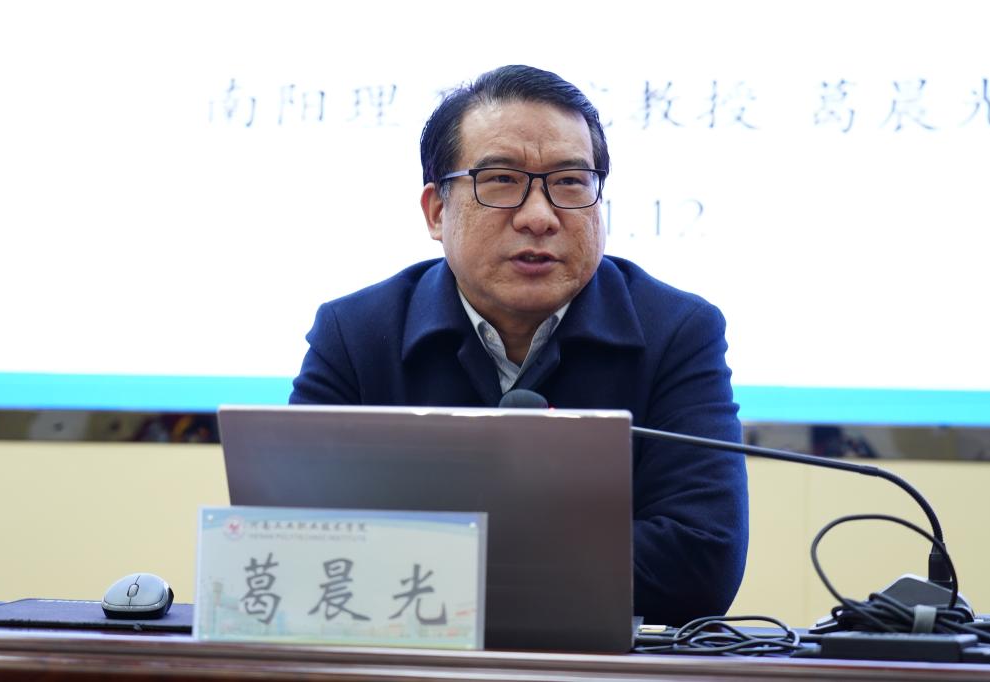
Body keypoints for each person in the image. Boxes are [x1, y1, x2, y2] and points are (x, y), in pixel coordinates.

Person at [290, 65, 748, 626]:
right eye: (502, 180)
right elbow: (292, 546)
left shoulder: (677, 331)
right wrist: (552, 563)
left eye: (570, 182)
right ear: (437, 211)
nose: (539, 217)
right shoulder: (355, 333)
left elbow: (702, 563)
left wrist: (425, 562)